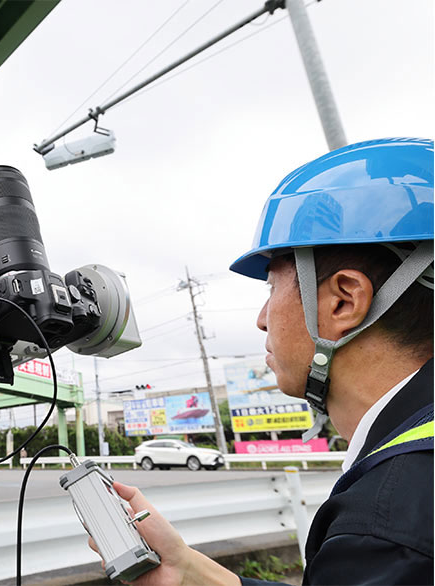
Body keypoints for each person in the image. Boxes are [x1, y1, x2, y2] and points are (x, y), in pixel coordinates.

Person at [90, 138, 434, 585]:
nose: (260, 320)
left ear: (343, 301)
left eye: (271, 290)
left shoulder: (386, 527)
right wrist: (188, 571)